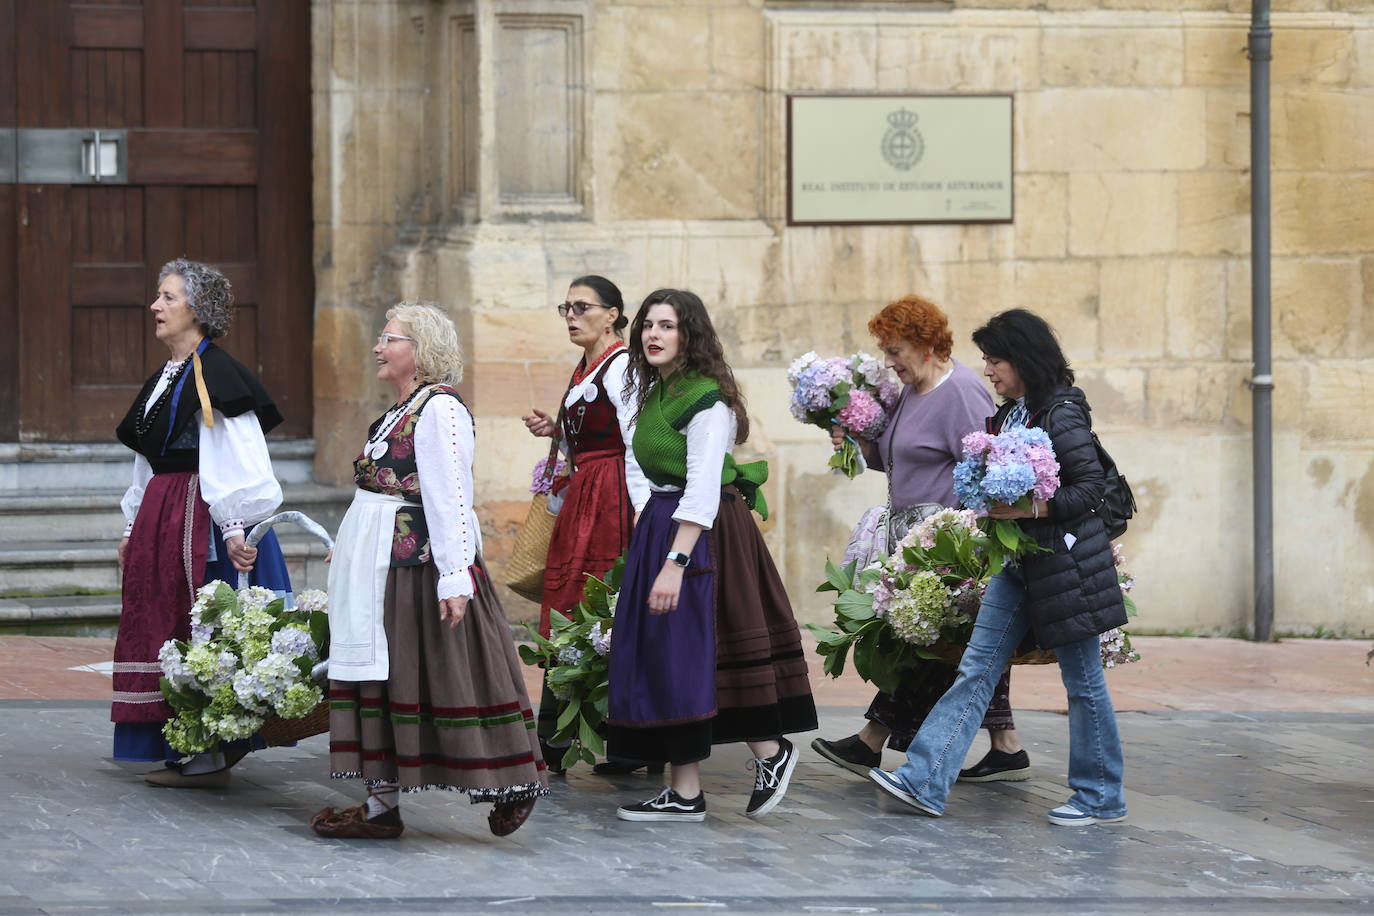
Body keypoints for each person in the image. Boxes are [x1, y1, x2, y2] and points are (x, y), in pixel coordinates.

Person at [868, 308, 1129, 826]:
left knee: (1082, 681)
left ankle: (1101, 796)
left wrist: (1031, 508)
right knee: (977, 667)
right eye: (986, 360)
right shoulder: (1015, 411)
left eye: (995, 360)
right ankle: (924, 779)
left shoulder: (1061, 411)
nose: (988, 370)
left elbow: (1090, 490)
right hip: (1019, 563)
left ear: (1024, 358)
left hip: (1067, 567)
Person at [310, 301, 547, 839]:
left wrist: (456, 577)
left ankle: (512, 780)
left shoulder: (439, 410)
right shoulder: (399, 411)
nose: (377, 346)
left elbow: (451, 498)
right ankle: (379, 806)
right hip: (379, 567)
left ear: (420, 352)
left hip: (418, 568)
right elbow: (378, 492)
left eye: (388, 338)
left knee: (451, 672)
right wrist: (348, 542)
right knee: (383, 679)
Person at [606, 289, 817, 823]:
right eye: (648, 325)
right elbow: (645, 467)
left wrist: (674, 564)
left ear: (690, 335)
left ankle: (771, 751)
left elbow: (700, 489)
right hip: (663, 523)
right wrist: (645, 522)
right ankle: (684, 792)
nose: (653, 334)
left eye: (667, 326)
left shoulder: (706, 399)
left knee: (695, 650)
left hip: (701, 534)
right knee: (668, 655)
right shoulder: (656, 391)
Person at [811, 295, 1031, 783]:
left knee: (929, 644)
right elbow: (898, 460)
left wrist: (965, 546)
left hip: (948, 544)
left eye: (895, 351)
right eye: (886, 352)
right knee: (963, 644)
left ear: (927, 345)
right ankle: (1007, 747)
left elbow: (985, 471)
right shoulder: (913, 391)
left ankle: (871, 740)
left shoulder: (963, 393)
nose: (889, 363)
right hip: (911, 538)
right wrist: (857, 442)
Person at [113, 260, 291, 788]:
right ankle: (179, 741)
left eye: (168, 297)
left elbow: (236, 453)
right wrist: (131, 527)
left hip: (203, 516)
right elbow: (147, 459)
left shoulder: (217, 373)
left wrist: (235, 526)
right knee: (162, 623)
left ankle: (212, 750)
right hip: (162, 515)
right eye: (158, 296)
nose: (156, 307)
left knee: (203, 626)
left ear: (197, 309)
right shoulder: (166, 377)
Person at [521, 275, 651, 775]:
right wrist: (557, 431)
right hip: (588, 495)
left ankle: (621, 743)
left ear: (613, 314)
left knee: (601, 606)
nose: (571, 316)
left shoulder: (620, 367)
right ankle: (562, 739)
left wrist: (642, 512)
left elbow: (637, 442)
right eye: (566, 307)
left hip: (611, 498)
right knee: (577, 606)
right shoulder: (586, 367)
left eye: (582, 307)